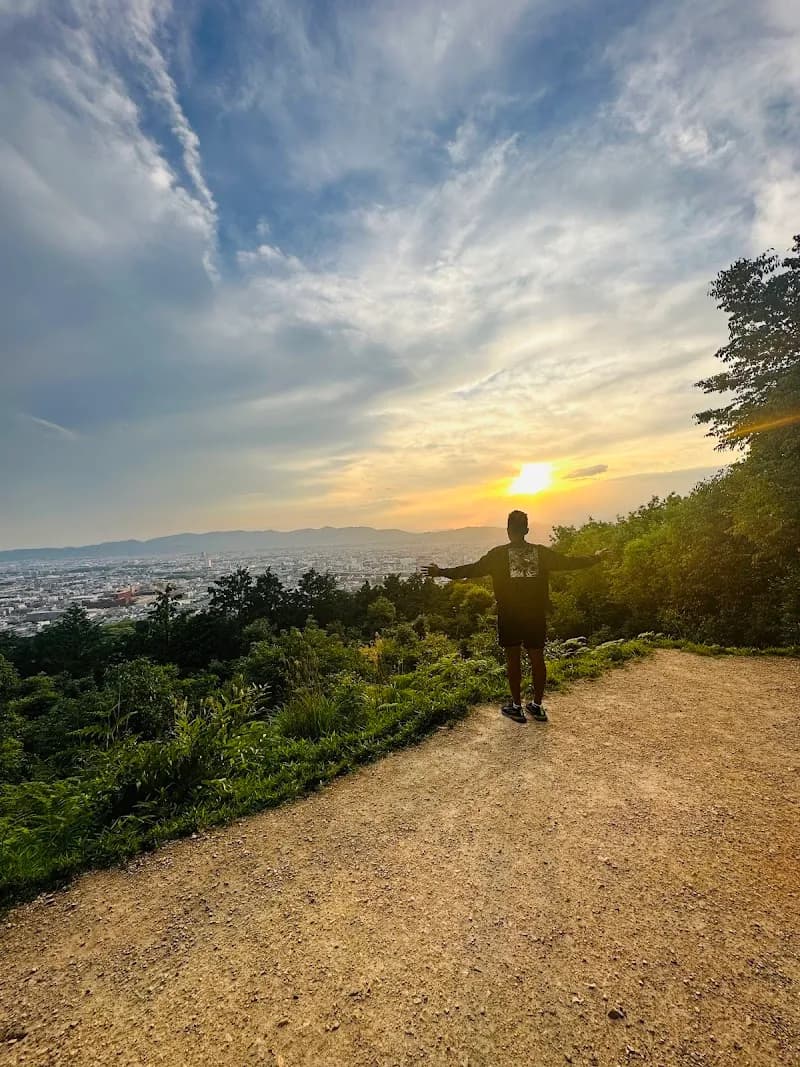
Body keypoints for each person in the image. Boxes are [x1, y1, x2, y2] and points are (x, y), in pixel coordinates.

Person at [423, 510, 606, 724]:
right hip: (535, 613)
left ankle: (516, 707)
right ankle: (537, 706)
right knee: (537, 658)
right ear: (527, 530)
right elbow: (570, 562)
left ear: (508, 531)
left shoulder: (498, 555)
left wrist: (440, 572)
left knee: (513, 660)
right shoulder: (541, 553)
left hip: (509, 614)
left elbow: (471, 570)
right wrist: (597, 558)